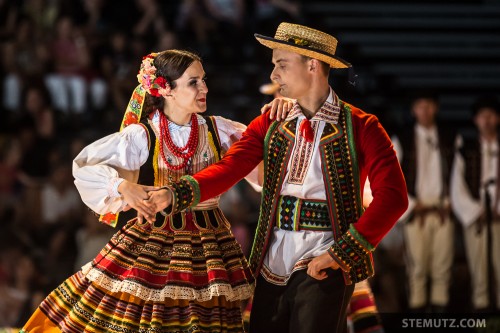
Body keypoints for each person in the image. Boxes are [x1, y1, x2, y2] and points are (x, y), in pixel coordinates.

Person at [146, 23, 408, 333]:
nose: (273, 75)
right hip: (273, 256)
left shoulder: (362, 126)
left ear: (312, 65)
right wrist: (176, 194)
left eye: (281, 64)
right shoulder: (271, 122)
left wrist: (340, 254)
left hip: (325, 254)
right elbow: (231, 167)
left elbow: (393, 197)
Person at [20, 49, 290, 333]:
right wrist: (122, 186)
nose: (204, 88)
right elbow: (86, 166)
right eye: (193, 82)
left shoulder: (218, 130)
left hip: (210, 244)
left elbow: (262, 170)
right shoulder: (143, 135)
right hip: (156, 240)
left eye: (204, 80)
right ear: (166, 89)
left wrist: (279, 116)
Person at [392, 94, 456, 313]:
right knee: (416, 267)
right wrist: (410, 204)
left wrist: (450, 201)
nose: (425, 110)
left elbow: (457, 174)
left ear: (435, 108)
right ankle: (417, 315)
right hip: (415, 209)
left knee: (442, 266)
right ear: (413, 110)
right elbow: (391, 175)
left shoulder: (449, 137)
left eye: (429, 105)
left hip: (442, 209)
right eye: (420, 106)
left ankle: (439, 313)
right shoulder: (403, 138)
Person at [451, 96, 500, 312]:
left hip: (499, 218)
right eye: (482, 116)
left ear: (497, 119)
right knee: (479, 271)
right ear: (476, 120)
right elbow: (457, 186)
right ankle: (482, 316)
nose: (486, 121)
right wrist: (476, 211)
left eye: (490, 116)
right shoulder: (466, 150)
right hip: (476, 219)